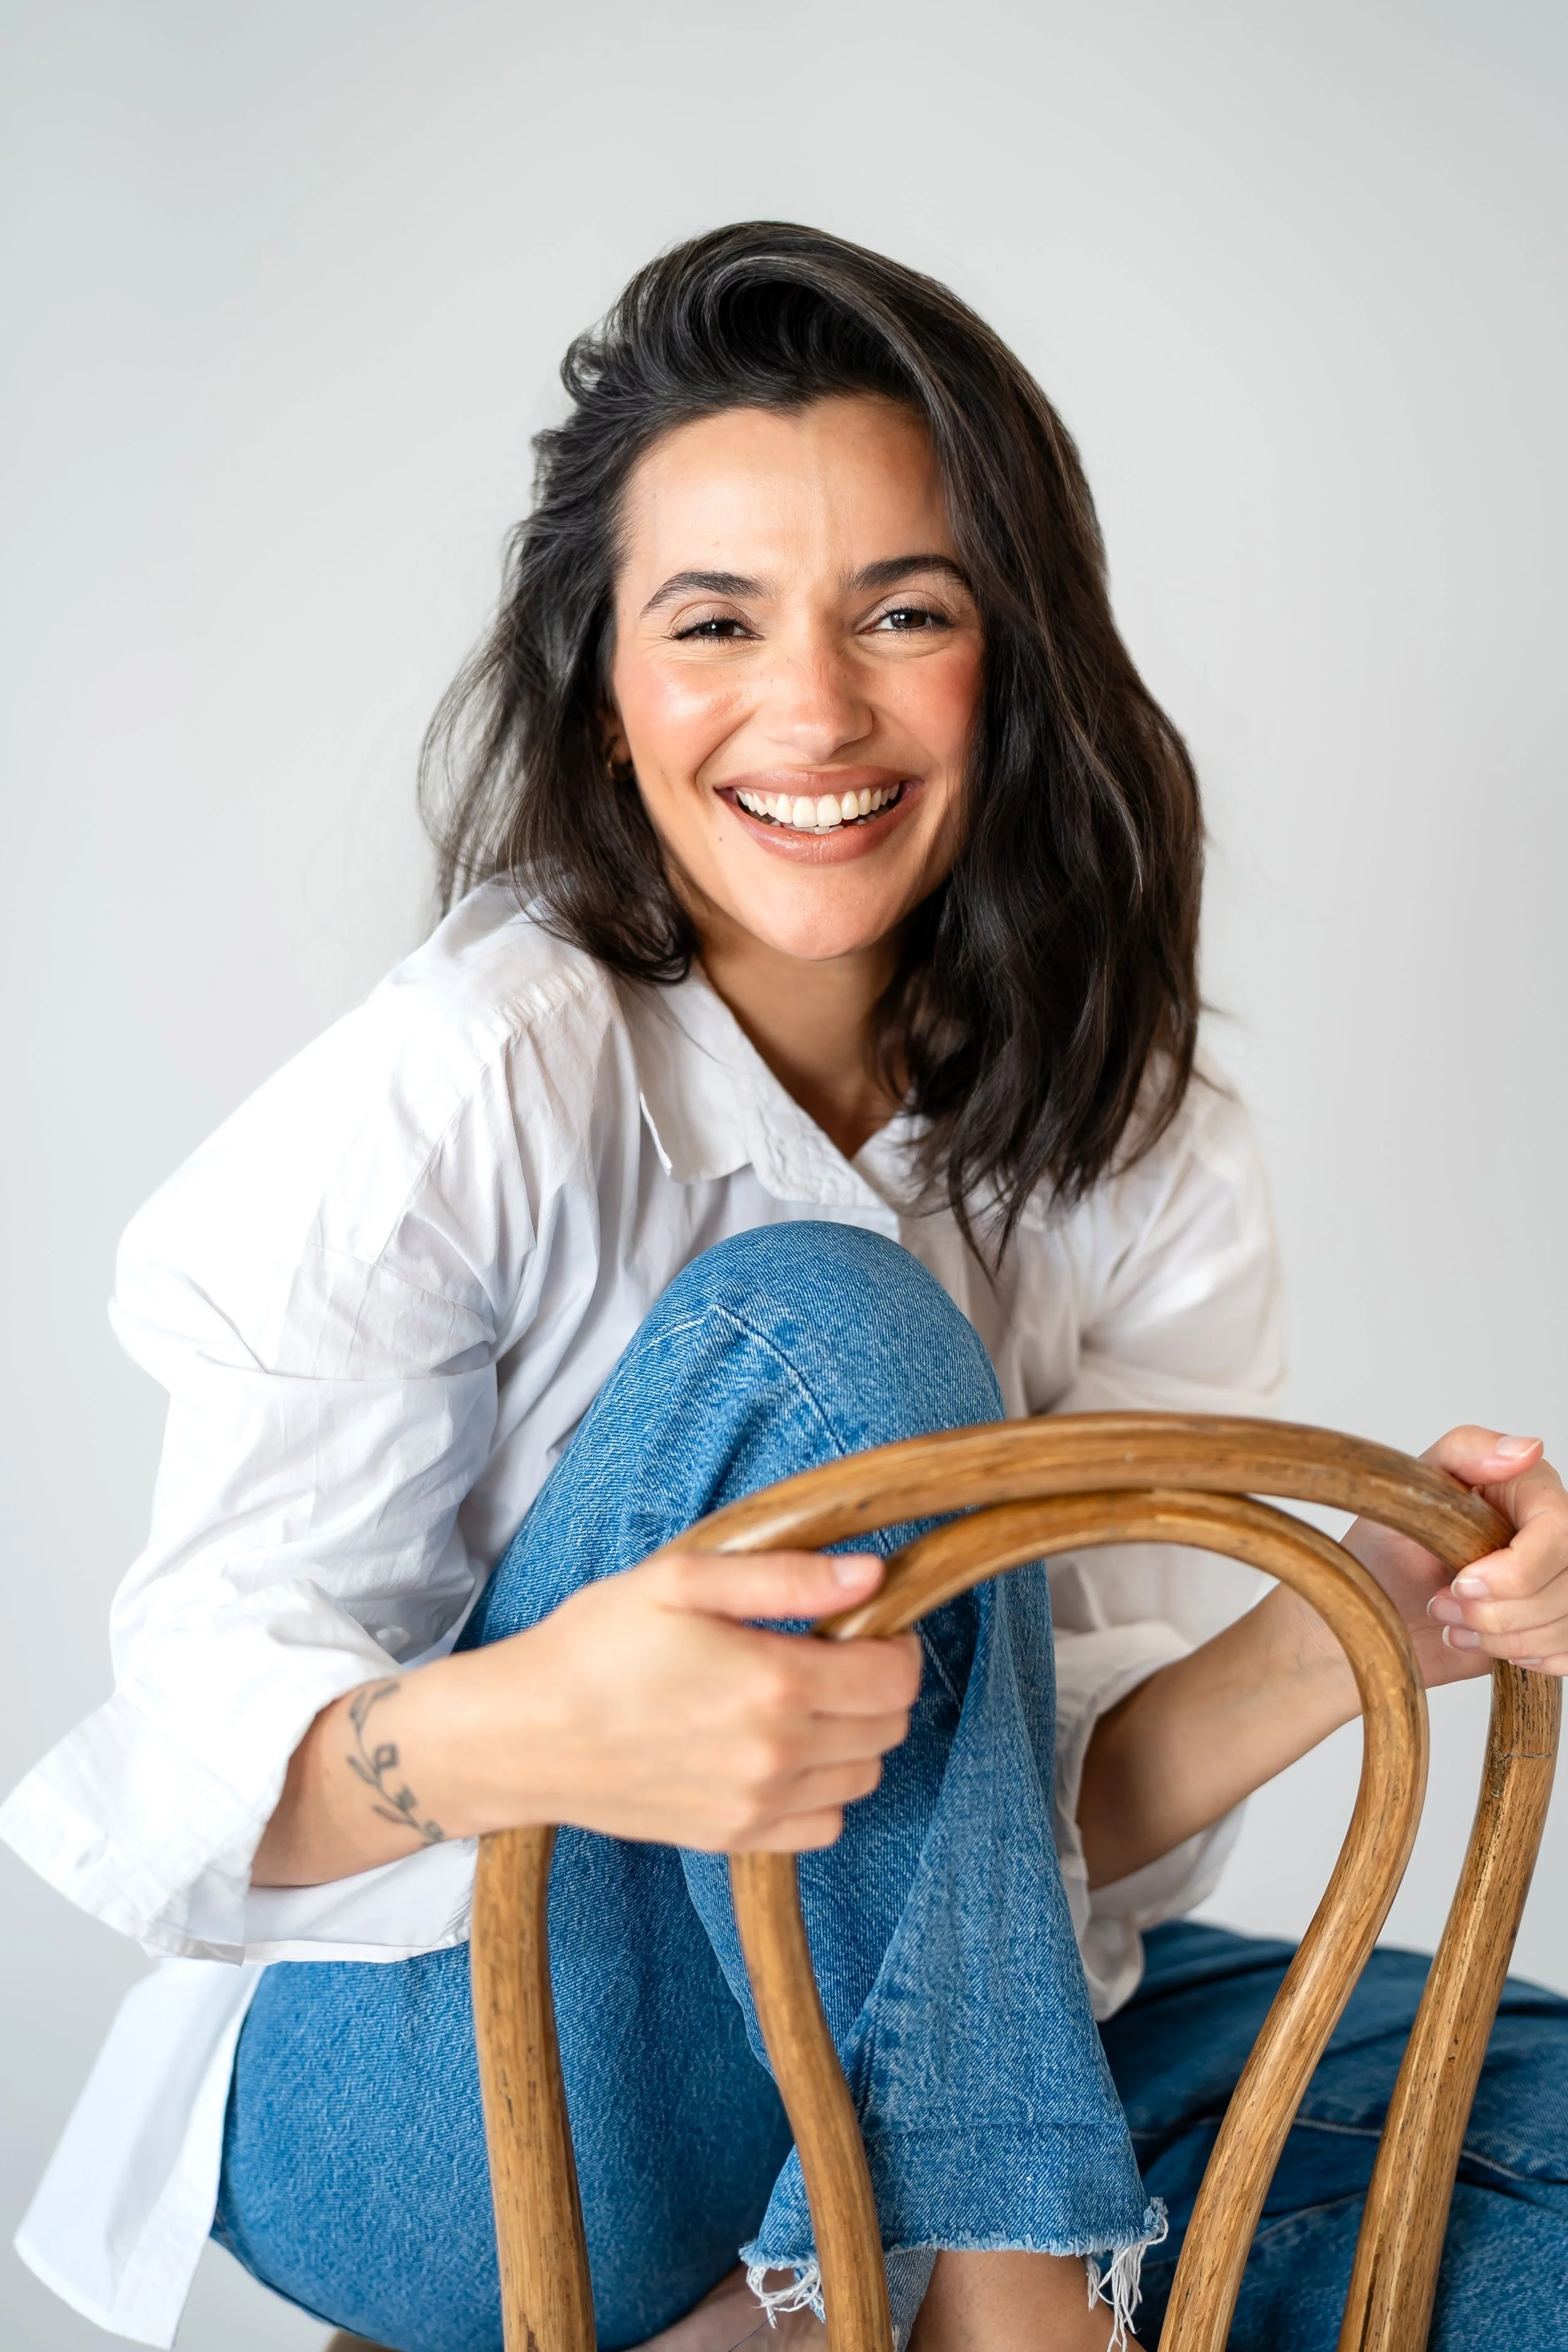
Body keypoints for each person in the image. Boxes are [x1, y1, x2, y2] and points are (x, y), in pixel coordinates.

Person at [4, 224, 1565, 2352]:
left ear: (1010, 657)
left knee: (1537, 2152)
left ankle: (871, 2278)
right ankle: (1002, 2303)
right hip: (448, 2090)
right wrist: (546, 1713)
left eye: (902, 612)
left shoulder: (1139, 1127)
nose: (812, 708)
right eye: (713, 619)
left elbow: (1013, 1846)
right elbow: (172, 1795)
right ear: (605, 678)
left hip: (914, 2047)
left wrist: (1367, 1622)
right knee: (821, 1330)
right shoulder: (469, 1078)